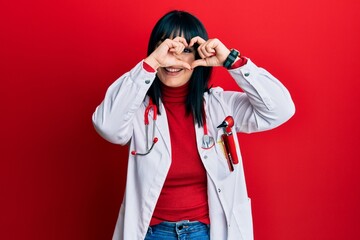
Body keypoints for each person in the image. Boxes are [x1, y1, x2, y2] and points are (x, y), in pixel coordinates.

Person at [92, 10, 295, 240]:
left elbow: (280, 109)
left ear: (199, 55)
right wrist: (151, 64)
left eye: (186, 50)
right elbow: (107, 126)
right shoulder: (137, 109)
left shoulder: (220, 105)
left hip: (206, 232)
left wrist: (231, 60)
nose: (175, 58)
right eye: (166, 47)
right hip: (150, 233)